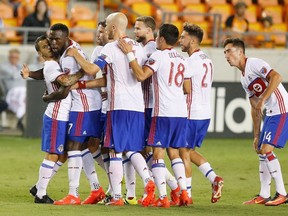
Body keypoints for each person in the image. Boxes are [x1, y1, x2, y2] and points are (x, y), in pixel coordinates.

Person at [65, 12, 155, 207]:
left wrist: (76, 54)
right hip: (137, 106)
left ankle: (116, 197)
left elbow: (91, 69)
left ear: (114, 28)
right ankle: (149, 181)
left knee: (114, 150)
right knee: (131, 148)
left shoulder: (111, 48)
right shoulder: (137, 47)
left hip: (119, 106)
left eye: (106, 25)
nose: (104, 28)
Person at [118, 23, 191, 208]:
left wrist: (129, 55)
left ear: (161, 39)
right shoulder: (183, 59)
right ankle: (184, 193)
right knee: (174, 151)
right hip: (181, 113)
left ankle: (163, 198)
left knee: (157, 153)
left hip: (163, 112)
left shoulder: (159, 55)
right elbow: (187, 88)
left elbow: (141, 76)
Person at [223, 37, 288, 206]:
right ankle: (264, 194)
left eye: (229, 51)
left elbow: (277, 77)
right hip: (272, 112)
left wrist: (264, 99)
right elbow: (254, 108)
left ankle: (282, 193)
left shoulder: (254, 64)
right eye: (224, 52)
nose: (226, 55)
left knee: (267, 149)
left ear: (240, 52)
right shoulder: (244, 78)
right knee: (260, 148)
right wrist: (256, 134)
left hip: (282, 109)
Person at [28, 35, 84, 204]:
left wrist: (29, 73)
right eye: (44, 47)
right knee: (53, 154)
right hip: (56, 116)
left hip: (62, 115)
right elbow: (66, 81)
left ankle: (38, 186)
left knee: (63, 154)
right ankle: (40, 195)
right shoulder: (52, 65)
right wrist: (83, 71)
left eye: (49, 45)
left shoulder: (55, 62)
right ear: (40, 53)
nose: (49, 48)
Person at [133, 16, 180, 206]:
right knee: (147, 150)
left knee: (147, 149)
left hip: (152, 106)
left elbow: (142, 75)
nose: (135, 31)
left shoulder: (154, 50)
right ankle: (174, 188)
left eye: (138, 28)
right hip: (162, 107)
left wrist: (129, 58)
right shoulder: (174, 55)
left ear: (152, 32)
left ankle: (163, 193)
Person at [179, 23, 224, 204]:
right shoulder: (207, 59)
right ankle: (214, 179)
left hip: (191, 112)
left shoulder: (189, 61)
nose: (180, 40)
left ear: (192, 40)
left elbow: (186, 88)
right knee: (189, 151)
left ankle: (186, 195)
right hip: (205, 113)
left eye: (183, 37)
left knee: (182, 153)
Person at [0, 48, 25, 132]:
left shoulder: (21, 66)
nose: (14, 59)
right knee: (23, 96)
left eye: (16, 57)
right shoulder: (3, 66)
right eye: (12, 57)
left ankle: (21, 120)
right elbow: (14, 75)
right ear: (9, 57)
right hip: (11, 91)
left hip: (23, 90)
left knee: (25, 97)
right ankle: (20, 119)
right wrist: (25, 73)